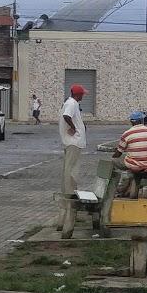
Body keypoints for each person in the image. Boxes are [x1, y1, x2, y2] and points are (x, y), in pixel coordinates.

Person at [112, 111, 147, 197]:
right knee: (130, 161)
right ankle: (128, 186)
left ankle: (117, 189)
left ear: (131, 122)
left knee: (113, 161)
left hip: (133, 165)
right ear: (142, 120)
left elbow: (118, 153)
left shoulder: (127, 134)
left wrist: (113, 156)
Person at [59, 84, 88, 237]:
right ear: (78, 95)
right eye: (82, 94)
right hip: (73, 142)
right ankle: (70, 196)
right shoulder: (72, 103)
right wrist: (74, 128)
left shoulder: (72, 103)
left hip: (73, 142)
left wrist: (80, 125)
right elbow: (66, 116)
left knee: (70, 169)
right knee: (71, 171)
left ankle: (70, 193)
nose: (83, 96)